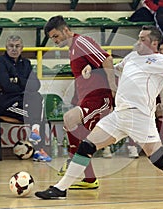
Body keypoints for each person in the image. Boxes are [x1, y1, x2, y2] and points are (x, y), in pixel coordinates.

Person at [35, 26, 163, 200]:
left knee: (160, 161)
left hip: (140, 118)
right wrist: (92, 67)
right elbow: (112, 70)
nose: (137, 42)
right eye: (138, 38)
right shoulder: (131, 57)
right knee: (87, 146)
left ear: (153, 44)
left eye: (142, 39)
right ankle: (60, 188)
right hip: (119, 115)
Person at [44, 15, 117, 189]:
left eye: (56, 36)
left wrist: (114, 89)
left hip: (100, 97)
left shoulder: (81, 41)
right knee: (76, 130)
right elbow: (94, 65)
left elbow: (106, 59)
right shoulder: (73, 49)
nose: (54, 41)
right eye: (51, 38)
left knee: (71, 121)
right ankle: (89, 178)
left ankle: (73, 164)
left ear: (66, 30)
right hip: (88, 99)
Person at [0, 35, 51, 162]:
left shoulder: (26, 63)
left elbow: (36, 85)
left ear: (22, 48)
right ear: (6, 48)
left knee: (37, 97)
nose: (14, 49)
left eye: (17, 46)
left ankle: (36, 136)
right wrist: (24, 84)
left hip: (22, 101)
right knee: (37, 116)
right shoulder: (0, 62)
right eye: (11, 46)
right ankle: (38, 150)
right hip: (6, 104)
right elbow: (6, 86)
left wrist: (16, 80)